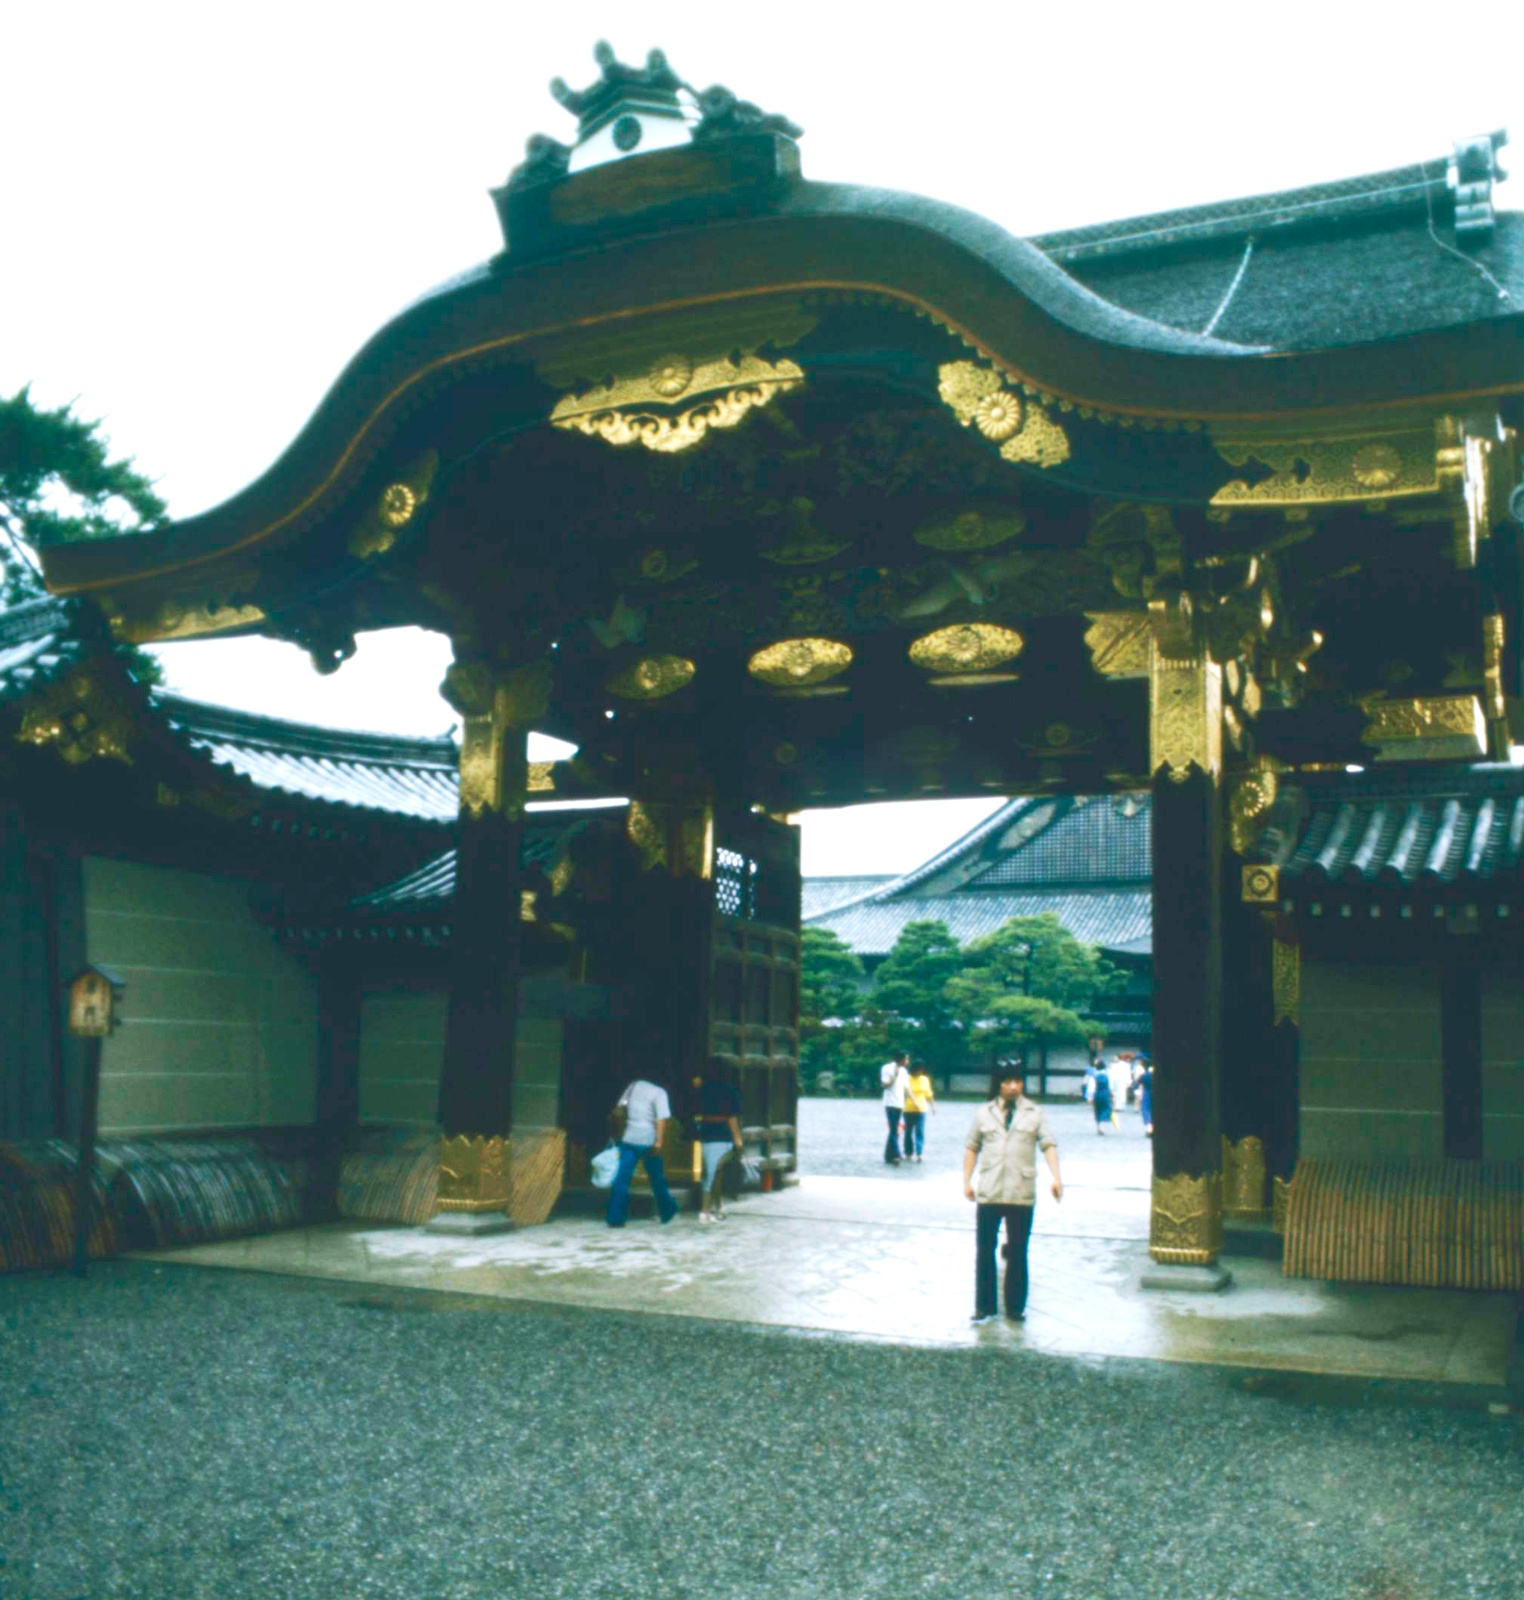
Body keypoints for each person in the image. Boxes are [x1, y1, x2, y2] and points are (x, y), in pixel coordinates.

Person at [963, 1063, 1062, 1323]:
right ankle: (985, 1307)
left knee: (1018, 1250)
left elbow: (1048, 1145)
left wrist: (1056, 1177)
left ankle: (1015, 1307)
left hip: (1021, 1191)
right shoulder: (983, 1113)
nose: (1014, 1086)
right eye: (1007, 1082)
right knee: (985, 1249)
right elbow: (972, 1147)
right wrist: (967, 1181)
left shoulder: (1035, 1113)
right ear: (998, 1084)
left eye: (1018, 1081)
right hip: (990, 1190)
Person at [607, 1075, 679, 1228]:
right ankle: (667, 1210)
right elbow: (661, 1120)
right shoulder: (659, 1092)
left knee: (622, 1178)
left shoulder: (633, 1086)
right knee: (657, 1178)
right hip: (648, 1140)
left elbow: (619, 1109)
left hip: (629, 1138)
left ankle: (615, 1217)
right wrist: (659, 1141)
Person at [692, 1072, 743, 1223]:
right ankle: (706, 1209)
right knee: (715, 1172)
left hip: (707, 1133)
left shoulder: (702, 1089)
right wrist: (737, 1138)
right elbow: (732, 1117)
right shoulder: (729, 1090)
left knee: (712, 1171)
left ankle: (715, 1206)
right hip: (723, 1134)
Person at [880, 1052, 910, 1166]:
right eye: (906, 1059)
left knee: (894, 1129)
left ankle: (888, 1155)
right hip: (890, 1102)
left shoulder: (904, 1071)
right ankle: (897, 1154)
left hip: (899, 1103)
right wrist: (894, 1077)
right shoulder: (887, 1068)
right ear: (901, 1059)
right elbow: (885, 1085)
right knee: (893, 1129)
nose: (908, 1061)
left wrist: (910, 1101)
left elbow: (906, 1088)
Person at [902, 1061, 935, 1162]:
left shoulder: (924, 1079)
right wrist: (913, 1101)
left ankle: (919, 1153)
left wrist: (933, 1106)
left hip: (921, 1109)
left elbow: (928, 1094)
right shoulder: (907, 1078)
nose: (920, 1072)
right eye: (918, 1070)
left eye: (921, 1070)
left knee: (920, 1131)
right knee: (908, 1132)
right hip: (908, 1108)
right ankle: (908, 1153)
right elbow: (906, 1091)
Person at [1091, 1057, 1113, 1134]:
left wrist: (1090, 1098)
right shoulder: (1107, 1075)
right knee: (1105, 1110)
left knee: (1097, 1110)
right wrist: (1112, 1095)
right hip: (1105, 1094)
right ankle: (1102, 1127)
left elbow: (1091, 1088)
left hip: (1097, 1094)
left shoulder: (1094, 1076)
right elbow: (1111, 1086)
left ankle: (1098, 1128)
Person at [1137, 1055, 1154, 1137]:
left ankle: (1149, 1129)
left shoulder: (1144, 1075)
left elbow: (1136, 1083)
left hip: (1147, 1093)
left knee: (1146, 1111)